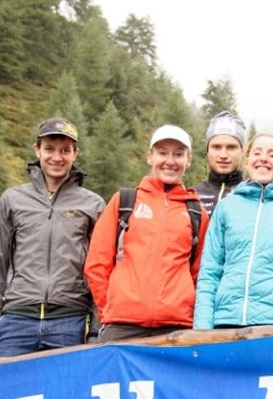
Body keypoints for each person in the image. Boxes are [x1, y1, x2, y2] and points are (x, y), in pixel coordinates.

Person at [0, 117, 105, 359]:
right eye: (49, 149)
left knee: (67, 384)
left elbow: (101, 271)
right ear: (37, 150)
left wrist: (95, 331)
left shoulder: (93, 204)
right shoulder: (12, 200)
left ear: (75, 154)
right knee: (7, 381)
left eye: (65, 150)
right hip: (16, 321)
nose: (57, 157)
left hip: (70, 322)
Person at [85, 125, 210, 342]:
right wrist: (110, 308)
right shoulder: (124, 201)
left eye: (178, 154)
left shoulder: (196, 212)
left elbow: (200, 273)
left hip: (177, 328)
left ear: (188, 160)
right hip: (122, 325)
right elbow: (97, 263)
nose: (170, 161)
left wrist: (186, 308)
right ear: (150, 157)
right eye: (162, 153)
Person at [194, 134, 273, 328]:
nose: (263, 158)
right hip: (224, 322)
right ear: (247, 161)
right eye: (257, 153)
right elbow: (209, 271)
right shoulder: (226, 207)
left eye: (272, 155)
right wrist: (202, 328)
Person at [193, 111, 247, 214]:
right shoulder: (191, 195)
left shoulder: (254, 195)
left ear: (242, 151)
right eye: (216, 147)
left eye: (231, 147)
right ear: (207, 151)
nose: (223, 155)